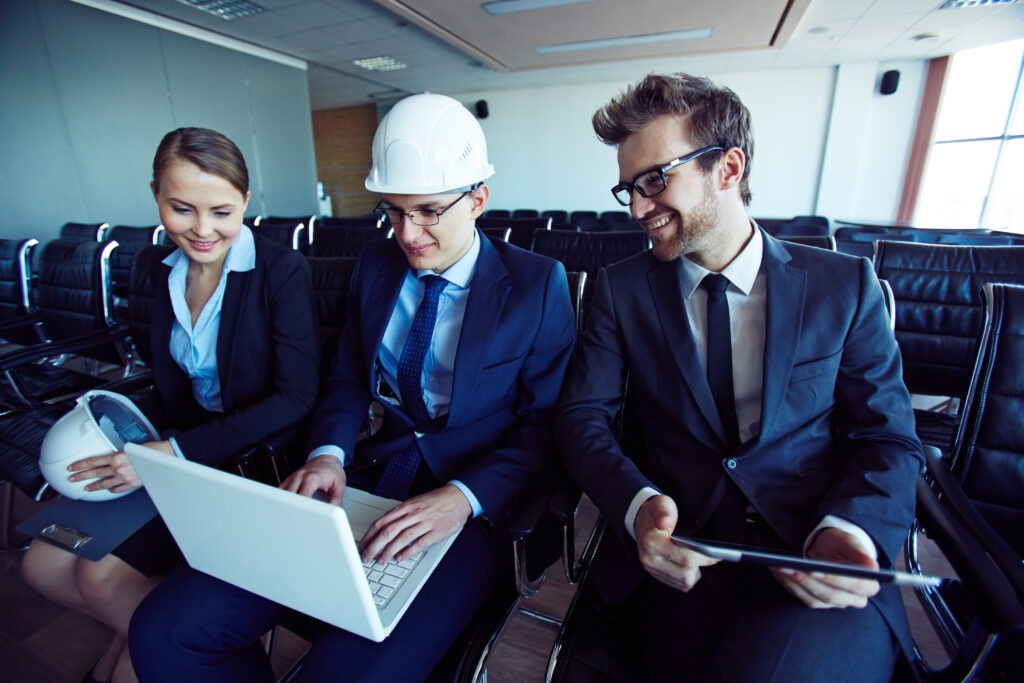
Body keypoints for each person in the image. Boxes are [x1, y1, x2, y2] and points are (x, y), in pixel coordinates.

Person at [129, 93, 576, 682]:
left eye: (428, 211)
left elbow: (544, 424)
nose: (407, 233)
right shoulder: (376, 263)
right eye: (392, 211)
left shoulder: (536, 284)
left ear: (478, 200)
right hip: (367, 477)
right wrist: (327, 454)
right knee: (165, 630)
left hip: (469, 506)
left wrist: (462, 498)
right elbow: (345, 377)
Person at [555, 73, 924, 682]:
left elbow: (888, 438)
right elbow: (581, 418)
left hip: (814, 557)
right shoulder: (620, 290)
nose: (640, 207)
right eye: (629, 189)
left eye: (655, 179)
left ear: (727, 168)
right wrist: (638, 504)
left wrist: (849, 527)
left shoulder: (844, 286)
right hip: (680, 559)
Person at [21, 127, 320, 683]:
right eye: (181, 208)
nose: (202, 230)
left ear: (247, 202)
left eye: (222, 211)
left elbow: (297, 397)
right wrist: (114, 426)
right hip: (173, 448)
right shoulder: (153, 270)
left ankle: (167, 652)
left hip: (248, 458)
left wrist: (172, 452)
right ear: (155, 195)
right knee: (43, 565)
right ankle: (158, 642)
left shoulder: (281, 271)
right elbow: (169, 385)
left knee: (99, 578)